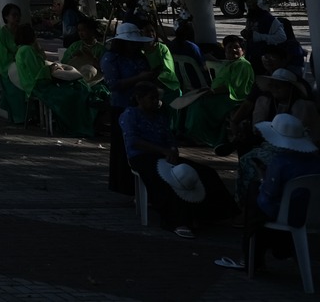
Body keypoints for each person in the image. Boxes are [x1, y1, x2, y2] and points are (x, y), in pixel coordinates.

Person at [122, 83, 233, 237]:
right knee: (166, 180)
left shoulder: (160, 116)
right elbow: (134, 141)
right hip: (142, 156)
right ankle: (176, 221)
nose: (155, 102)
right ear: (139, 99)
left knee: (205, 173)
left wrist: (173, 150)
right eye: (151, 99)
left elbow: (169, 138)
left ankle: (217, 214)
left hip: (165, 154)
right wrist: (163, 150)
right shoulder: (130, 114)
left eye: (156, 99)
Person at [228, 114, 320, 277]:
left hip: (284, 213)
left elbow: (269, 195)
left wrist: (264, 179)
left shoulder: (281, 161)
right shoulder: (314, 161)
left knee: (254, 197)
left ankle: (250, 257)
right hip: (309, 214)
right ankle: (273, 251)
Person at [102, 24, 160, 194]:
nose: (134, 46)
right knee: (123, 147)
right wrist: (137, 78)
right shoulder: (111, 58)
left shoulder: (139, 57)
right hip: (121, 106)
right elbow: (113, 84)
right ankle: (123, 184)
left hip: (142, 106)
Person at [17, 24, 97, 139]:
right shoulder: (27, 50)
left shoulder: (24, 49)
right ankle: (76, 125)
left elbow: (41, 62)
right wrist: (52, 68)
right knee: (74, 94)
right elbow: (37, 71)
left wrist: (40, 50)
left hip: (38, 84)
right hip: (40, 86)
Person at [178, 34, 254, 150]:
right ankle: (188, 133)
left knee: (200, 105)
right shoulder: (230, 64)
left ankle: (203, 138)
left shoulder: (242, 64)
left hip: (233, 99)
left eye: (236, 47)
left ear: (242, 51)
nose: (232, 50)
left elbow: (233, 88)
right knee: (190, 100)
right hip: (220, 94)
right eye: (229, 47)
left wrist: (212, 92)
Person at [0, 3, 29, 124]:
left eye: (18, 15)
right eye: (14, 15)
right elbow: (1, 56)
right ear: (6, 17)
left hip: (23, 66)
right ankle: (19, 118)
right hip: (7, 68)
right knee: (16, 91)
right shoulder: (0, 34)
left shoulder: (21, 31)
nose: (17, 18)